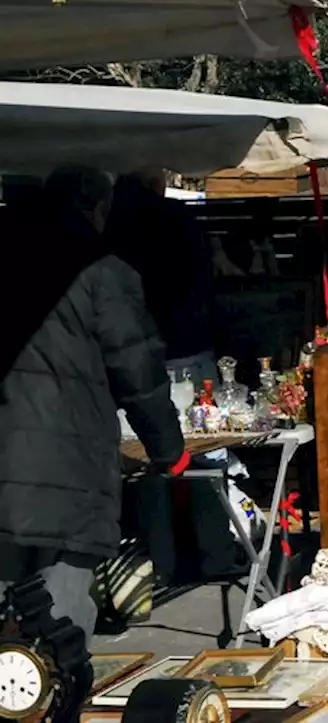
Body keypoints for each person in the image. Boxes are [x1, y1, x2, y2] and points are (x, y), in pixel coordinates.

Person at [0, 165, 187, 646]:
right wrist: (168, 450)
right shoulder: (102, 271)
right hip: (68, 473)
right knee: (56, 627)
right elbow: (138, 372)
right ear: (98, 208)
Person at [107, 168, 216, 380]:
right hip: (184, 336)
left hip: (127, 344)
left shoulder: (108, 219)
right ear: (155, 183)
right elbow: (200, 269)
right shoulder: (177, 215)